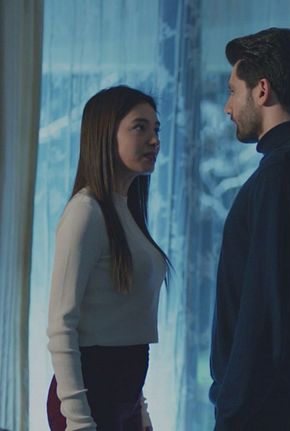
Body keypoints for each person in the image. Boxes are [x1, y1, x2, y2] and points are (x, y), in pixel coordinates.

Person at [209, 28, 290, 431]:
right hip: (287, 406)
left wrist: (231, 413)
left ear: (262, 90)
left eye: (233, 91)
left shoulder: (282, 173)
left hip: (264, 413)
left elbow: (264, 311)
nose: (228, 107)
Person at [46, 85, 170, 431]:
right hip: (88, 398)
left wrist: (140, 409)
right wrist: (78, 420)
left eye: (156, 129)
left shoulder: (126, 212)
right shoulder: (85, 212)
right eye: (140, 127)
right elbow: (62, 325)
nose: (154, 140)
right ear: (104, 135)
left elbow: (128, 323)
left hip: (123, 395)